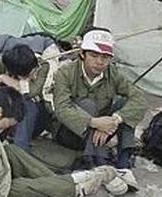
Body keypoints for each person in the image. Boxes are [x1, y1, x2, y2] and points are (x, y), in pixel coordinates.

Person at [52, 28, 146, 170]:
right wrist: (94, 122)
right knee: (88, 105)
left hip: (103, 130)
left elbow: (138, 97)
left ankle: (124, 161)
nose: (100, 62)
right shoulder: (65, 73)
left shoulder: (112, 73)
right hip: (70, 133)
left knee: (125, 104)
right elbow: (62, 109)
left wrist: (114, 120)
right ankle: (96, 161)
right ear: (82, 54)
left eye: (105, 57)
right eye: (94, 55)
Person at [0, 45, 51, 152]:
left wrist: (4, 79)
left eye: (35, 71)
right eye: (30, 74)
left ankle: (21, 150)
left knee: (25, 101)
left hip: (35, 117)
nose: (35, 76)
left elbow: (33, 92)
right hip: (6, 110)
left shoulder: (42, 65)